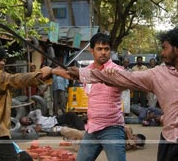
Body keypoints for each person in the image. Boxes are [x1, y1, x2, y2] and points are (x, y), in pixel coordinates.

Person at [63, 27, 178, 161]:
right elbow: (126, 79)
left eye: (165, 48)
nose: (161, 53)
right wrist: (82, 73)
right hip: (169, 137)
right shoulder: (158, 74)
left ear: (177, 49)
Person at [52, 33, 126, 161]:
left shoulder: (115, 70)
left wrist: (116, 77)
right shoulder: (86, 71)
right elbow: (70, 74)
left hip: (112, 128)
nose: (103, 52)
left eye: (106, 49)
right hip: (92, 129)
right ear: (92, 51)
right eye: (99, 49)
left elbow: (126, 83)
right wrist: (51, 70)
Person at [60, 125, 146, 151]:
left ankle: (70, 139)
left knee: (78, 148)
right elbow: (126, 128)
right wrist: (129, 137)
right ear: (136, 135)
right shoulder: (129, 131)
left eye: (137, 142)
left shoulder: (128, 145)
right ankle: (62, 129)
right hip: (100, 132)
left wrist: (131, 145)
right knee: (78, 133)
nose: (134, 140)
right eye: (136, 138)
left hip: (99, 144)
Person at [19, 109, 85, 133]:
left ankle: (84, 130)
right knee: (70, 129)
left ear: (26, 116)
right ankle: (83, 126)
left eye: (26, 119)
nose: (28, 120)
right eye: (26, 122)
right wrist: (24, 130)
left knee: (71, 114)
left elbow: (38, 110)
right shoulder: (31, 126)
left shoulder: (31, 114)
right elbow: (28, 131)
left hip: (55, 120)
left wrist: (38, 123)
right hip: (53, 128)